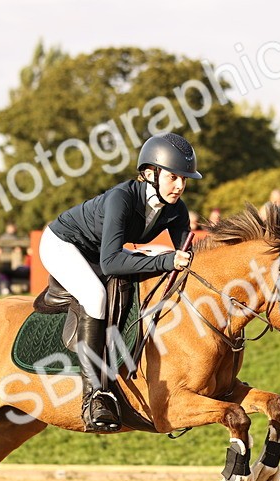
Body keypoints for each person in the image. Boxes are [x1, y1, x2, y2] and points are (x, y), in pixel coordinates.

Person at [41, 132, 199, 432]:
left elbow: (187, 259)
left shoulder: (176, 209)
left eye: (185, 179)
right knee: (95, 296)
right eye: (173, 177)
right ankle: (94, 396)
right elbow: (112, 262)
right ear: (150, 173)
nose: (180, 186)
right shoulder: (121, 198)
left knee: (154, 262)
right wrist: (167, 259)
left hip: (101, 251)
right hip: (63, 244)